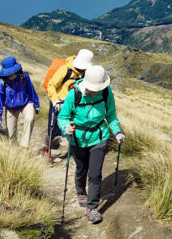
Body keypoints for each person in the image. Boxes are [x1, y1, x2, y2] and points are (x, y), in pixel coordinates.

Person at [57, 64, 124, 224]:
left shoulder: (106, 92)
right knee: (81, 169)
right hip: (78, 139)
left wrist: (117, 131)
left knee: (94, 174)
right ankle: (81, 192)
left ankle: (92, 207)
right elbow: (63, 117)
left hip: (99, 137)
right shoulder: (74, 95)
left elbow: (111, 114)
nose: (96, 90)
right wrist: (66, 127)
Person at [45, 49, 93, 151]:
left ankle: (66, 149)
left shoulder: (84, 74)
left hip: (73, 106)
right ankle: (49, 148)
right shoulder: (65, 70)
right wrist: (55, 100)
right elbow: (51, 85)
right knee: (53, 127)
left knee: (68, 128)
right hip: (58, 103)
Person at [0, 56, 41, 149]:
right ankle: (14, 152)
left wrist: (36, 104)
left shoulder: (24, 76)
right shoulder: (1, 83)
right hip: (11, 107)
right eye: (8, 73)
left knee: (29, 119)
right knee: (10, 135)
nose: (10, 74)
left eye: (12, 72)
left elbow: (31, 90)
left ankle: (24, 147)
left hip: (26, 102)